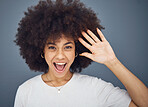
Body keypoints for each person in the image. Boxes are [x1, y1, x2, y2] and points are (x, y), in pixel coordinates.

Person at [14, 0, 148, 107]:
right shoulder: (26, 91)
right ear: (41, 51)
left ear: (76, 51)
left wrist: (112, 62)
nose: (60, 55)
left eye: (67, 47)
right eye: (52, 48)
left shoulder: (95, 87)